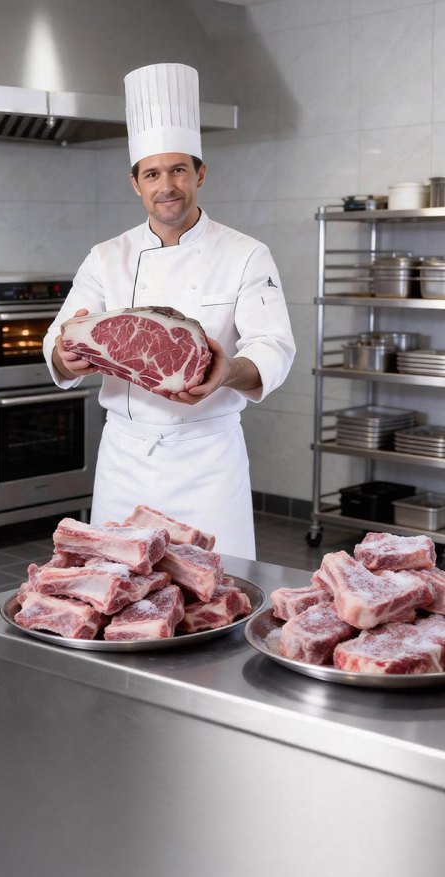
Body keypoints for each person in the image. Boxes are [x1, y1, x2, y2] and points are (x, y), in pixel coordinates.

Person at [43, 62, 295, 559]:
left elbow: (274, 347)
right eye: (152, 174)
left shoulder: (246, 253)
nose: (167, 186)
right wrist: (64, 358)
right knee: (122, 588)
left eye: (179, 170)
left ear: (200, 173)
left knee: (218, 587)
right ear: (135, 183)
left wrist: (228, 372)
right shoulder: (105, 257)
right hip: (125, 460)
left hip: (208, 461)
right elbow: (59, 339)